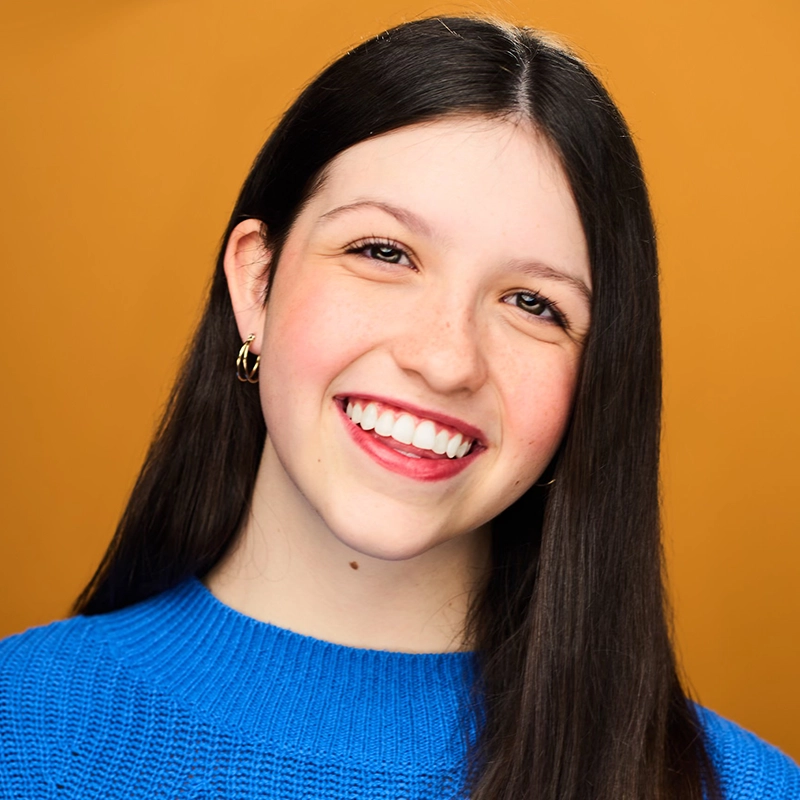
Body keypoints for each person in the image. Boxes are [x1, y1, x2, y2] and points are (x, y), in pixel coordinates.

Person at [0, 15, 797, 800]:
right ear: (256, 283)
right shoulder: (24, 727)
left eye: (533, 303)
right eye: (383, 253)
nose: (446, 361)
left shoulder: (748, 790)